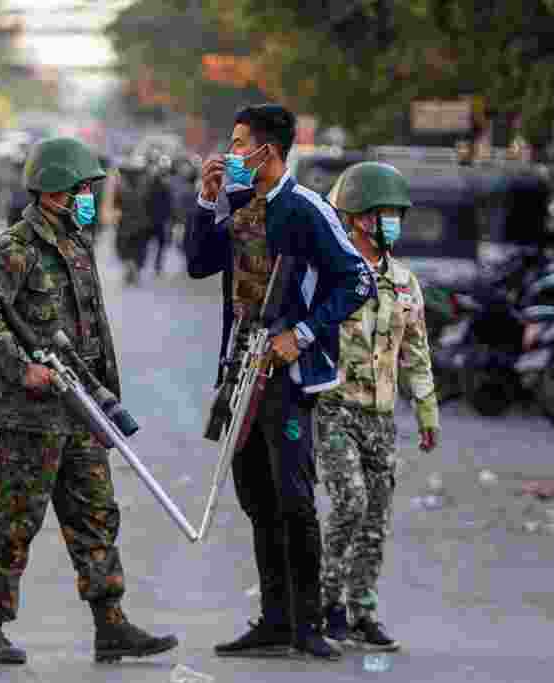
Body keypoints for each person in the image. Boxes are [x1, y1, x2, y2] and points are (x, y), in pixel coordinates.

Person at [0, 137, 178, 665]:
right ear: (55, 191)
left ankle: (112, 624)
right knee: (14, 519)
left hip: (80, 405)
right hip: (32, 414)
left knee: (96, 515)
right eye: (82, 188)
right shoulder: (18, 246)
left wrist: (105, 397)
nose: (90, 197)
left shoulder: (76, 240)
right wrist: (20, 365)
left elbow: (88, 328)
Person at [185, 104, 375, 660]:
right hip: (238, 373)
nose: (233, 151)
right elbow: (198, 263)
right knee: (256, 498)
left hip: (288, 378)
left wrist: (305, 333)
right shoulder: (234, 202)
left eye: (241, 143)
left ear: (269, 151)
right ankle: (273, 619)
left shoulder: (307, 209)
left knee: (294, 499)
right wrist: (206, 198)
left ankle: (307, 623)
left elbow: (356, 279)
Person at [318, 161, 440, 651]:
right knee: (350, 502)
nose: (391, 222)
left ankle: (361, 611)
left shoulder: (406, 283)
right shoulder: (330, 276)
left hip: (381, 416)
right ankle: (325, 604)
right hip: (335, 409)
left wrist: (427, 411)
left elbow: (417, 351)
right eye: (382, 213)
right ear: (355, 218)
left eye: (396, 214)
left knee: (375, 519)